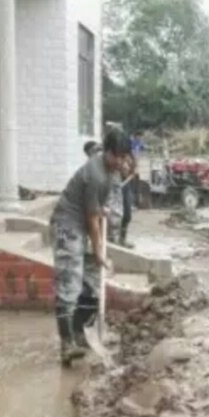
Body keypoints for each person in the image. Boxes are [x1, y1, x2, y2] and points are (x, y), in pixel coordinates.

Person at [51, 130, 134, 365]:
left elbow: (98, 208)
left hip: (85, 223)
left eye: (123, 157)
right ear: (106, 151)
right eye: (116, 156)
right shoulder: (95, 174)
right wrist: (98, 252)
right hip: (68, 225)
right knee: (70, 280)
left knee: (91, 278)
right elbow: (92, 219)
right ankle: (67, 344)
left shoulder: (110, 171)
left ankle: (80, 332)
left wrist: (102, 209)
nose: (120, 161)